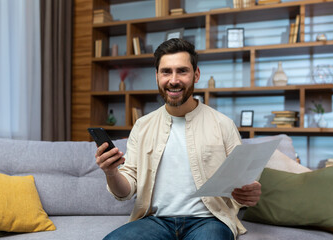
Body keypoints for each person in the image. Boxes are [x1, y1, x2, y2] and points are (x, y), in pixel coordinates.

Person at [95, 38, 261, 240]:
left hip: (209, 220)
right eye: (166, 72)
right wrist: (111, 173)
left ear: (196, 74)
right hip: (156, 220)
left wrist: (249, 191)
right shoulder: (142, 126)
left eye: (182, 71)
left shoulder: (223, 124)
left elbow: (241, 181)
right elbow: (125, 191)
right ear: (157, 76)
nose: (174, 80)